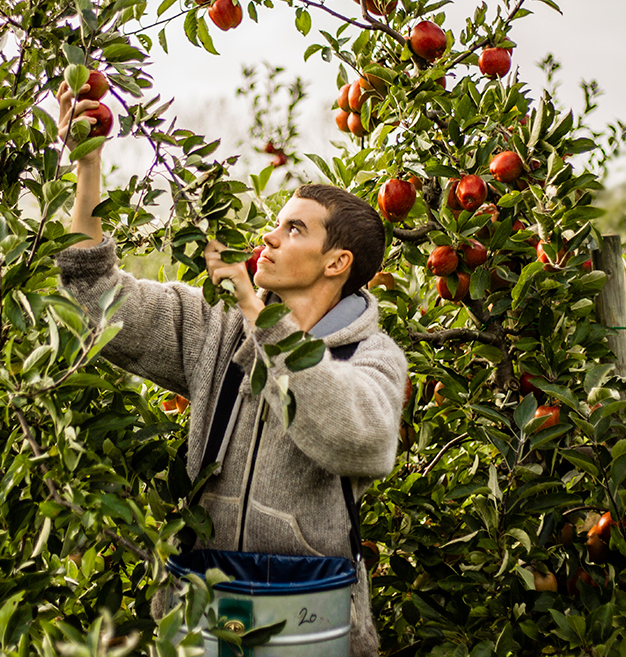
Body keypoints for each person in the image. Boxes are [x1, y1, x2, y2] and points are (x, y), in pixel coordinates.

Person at [53, 83, 408, 657]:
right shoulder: (216, 328)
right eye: (277, 222)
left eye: (295, 229)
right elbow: (97, 296)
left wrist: (259, 318)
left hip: (309, 623)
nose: (270, 235)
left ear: (337, 262)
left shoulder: (373, 357)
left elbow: (358, 440)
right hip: (204, 614)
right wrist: (87, 166)